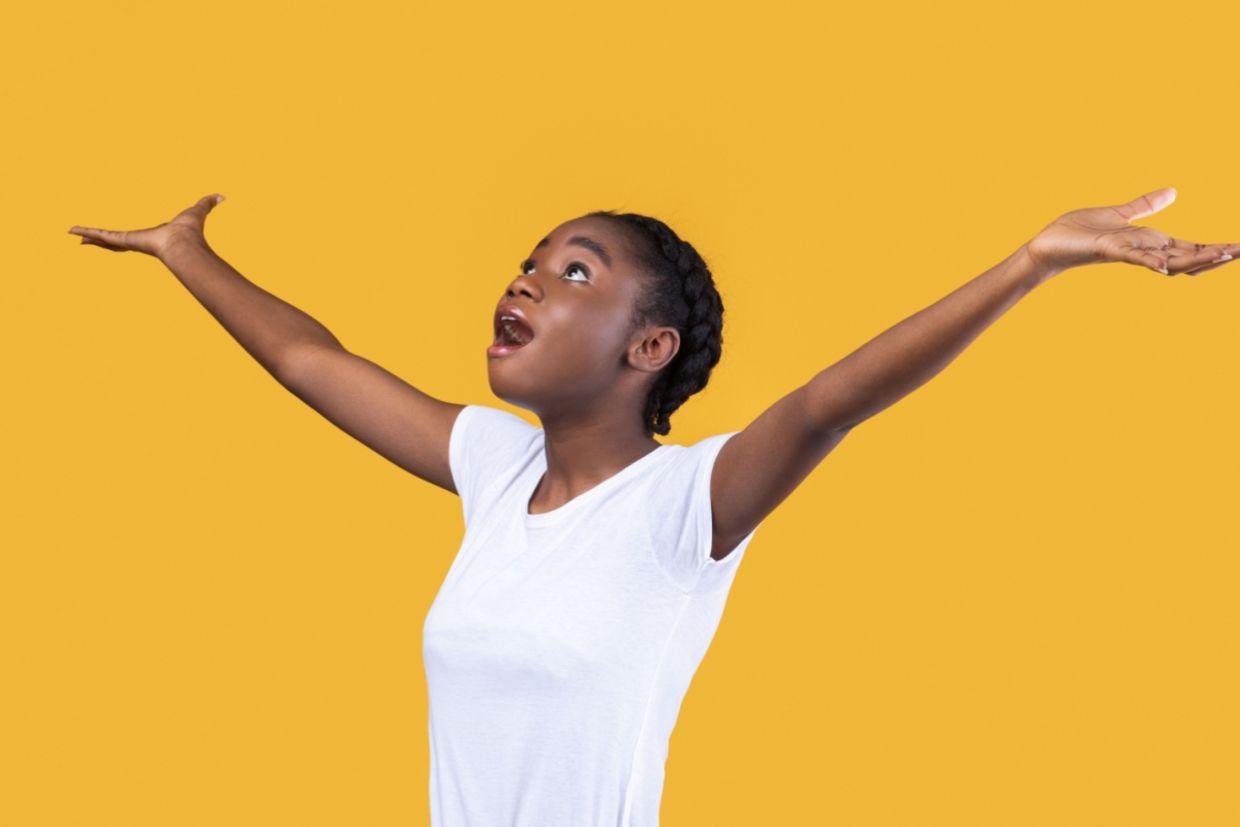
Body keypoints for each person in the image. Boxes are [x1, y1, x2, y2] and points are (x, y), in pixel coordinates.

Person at [68, 189, 1236, 826]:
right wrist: (185, 253)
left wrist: (1028, 262)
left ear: (650, 347)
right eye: (527, 261)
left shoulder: (683, 505)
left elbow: (833, 399)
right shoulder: (494, 470)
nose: (523, 278)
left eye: (574, 270)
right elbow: (311, 362)